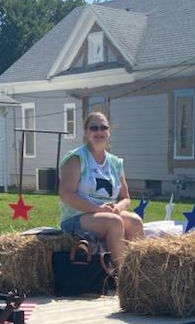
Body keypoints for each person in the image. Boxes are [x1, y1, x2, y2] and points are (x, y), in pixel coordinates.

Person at [58, 112, 143, 267]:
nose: (99, 132)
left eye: (103, 127)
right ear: (85, 132)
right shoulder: (77, 158)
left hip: (106, 214)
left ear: (108, 132)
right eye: (94, 128)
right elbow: (65, 194)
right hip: (76, 218)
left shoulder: (115, 162)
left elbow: (126, 197)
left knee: (135, 221)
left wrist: (118, 207)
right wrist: (97, 209)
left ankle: (140, 271)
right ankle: (122, 276)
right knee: (114, 222)